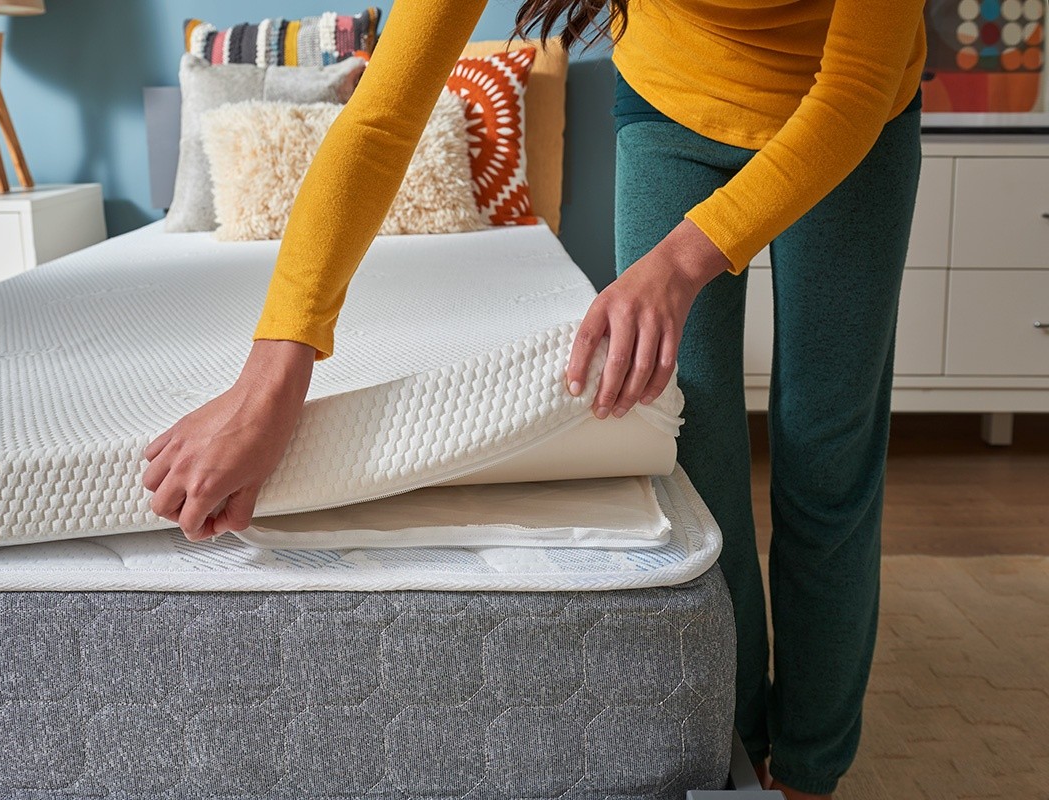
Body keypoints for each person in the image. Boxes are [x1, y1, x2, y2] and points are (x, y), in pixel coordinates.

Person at [140, 1, 927, 796]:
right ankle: (736, 750)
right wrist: (274, 374)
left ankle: (807, 771)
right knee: (692, 453)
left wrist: (678, 265)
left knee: (827, 457)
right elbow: (381, 118)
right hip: (672, 107)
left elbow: (853, 90)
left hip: (847, 121)